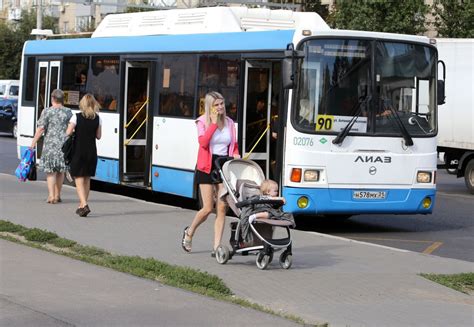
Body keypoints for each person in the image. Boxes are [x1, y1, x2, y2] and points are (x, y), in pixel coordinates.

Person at [182, 91, 240, 257]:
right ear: (210, 107)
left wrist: (236, 154)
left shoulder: (229, 123)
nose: (220, 107)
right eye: (216, 105)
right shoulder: (202, 122)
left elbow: (233, 145)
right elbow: (203, 143)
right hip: (207, 166)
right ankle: (190, 231)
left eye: (222, 103)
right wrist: (213, 124)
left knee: (222, 207)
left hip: (224, 165)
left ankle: (216, 247)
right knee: (208, 208)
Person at [30, 89, 72, 204]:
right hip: (64, 146)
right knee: (60, 171)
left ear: (52, 98)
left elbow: (41, 129)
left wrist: (33, 143)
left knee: (51, 172)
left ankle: (51, 196)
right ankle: (58, 195)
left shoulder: (47, 111)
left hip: (50, 146)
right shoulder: (68, 112)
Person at [66, 94, 102, 217]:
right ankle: (81, 206)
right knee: (87, 179)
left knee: (79, 179)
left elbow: (68, 132)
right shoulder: (98, 118)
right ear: (93, 104)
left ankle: (84, 204)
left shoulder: (76, 117)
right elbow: (98, 136)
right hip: (91, 152)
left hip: (78, 151)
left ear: (82, 104)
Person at [240, 179, 295, 245]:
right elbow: (267, 199)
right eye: (275, 191)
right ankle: (254, 216)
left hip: (268, 211)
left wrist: (280, 202)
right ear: (268, 192)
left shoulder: (272, 199)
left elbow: (275, 205)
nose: (277, 193)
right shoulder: (263, 197)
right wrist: (279, 198)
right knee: (268, 214)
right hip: (259, 210)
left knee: (286, 215)